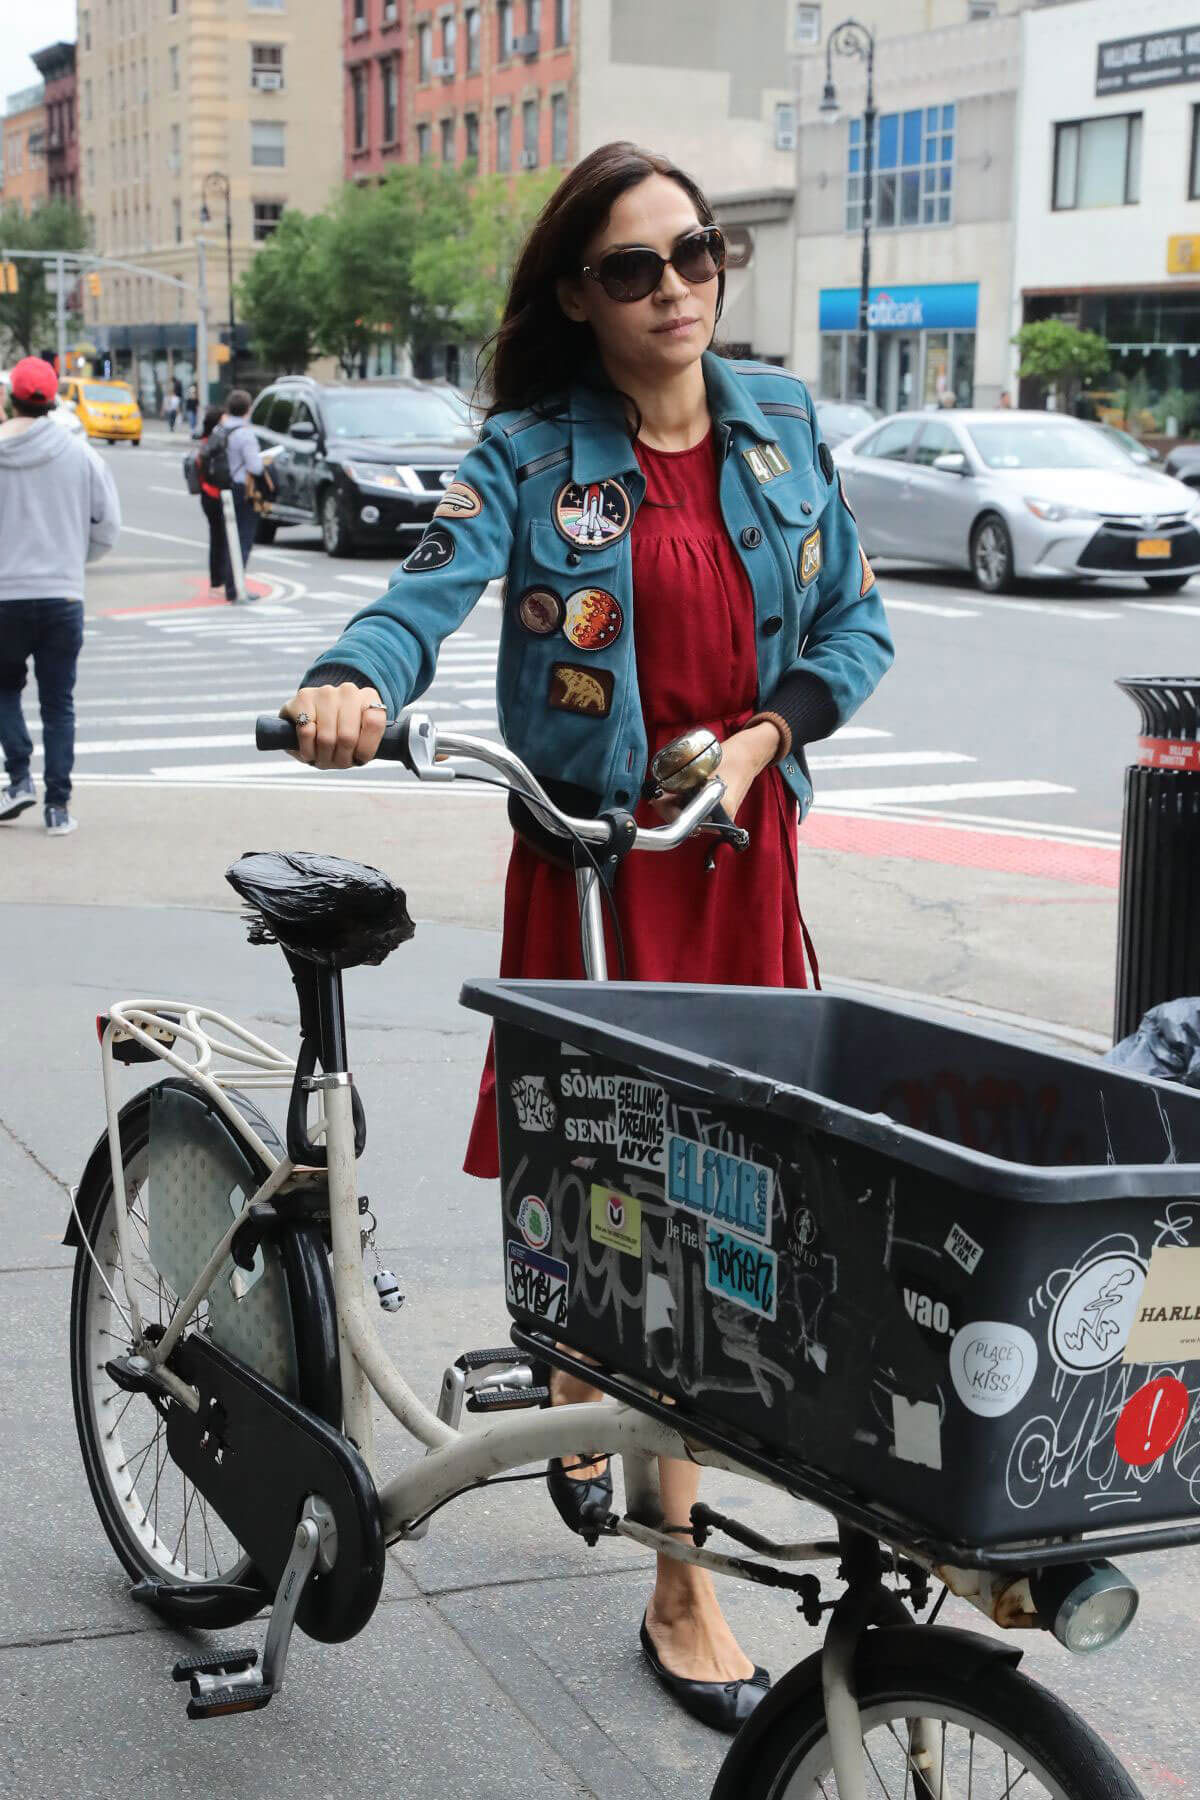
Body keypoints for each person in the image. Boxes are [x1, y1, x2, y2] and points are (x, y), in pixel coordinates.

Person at [278, 143, 892, 1731]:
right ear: (577, 293)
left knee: (739, 1201)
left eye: (695, 256)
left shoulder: (780, 427)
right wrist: (360, 681)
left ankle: (595, 1371)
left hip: (738, 857)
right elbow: (426, 590)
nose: (676, 287)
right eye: (634, 268)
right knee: (650, 1208)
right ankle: (679, 1580)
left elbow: (855, 625)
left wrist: (764, 737)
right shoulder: (531, 453)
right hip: (597, 869)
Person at [0, 356, 120, 835]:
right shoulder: (82, 455)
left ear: (11, 399)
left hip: (4, 597)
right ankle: (58, 806)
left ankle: (18, 777)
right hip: (63, 598)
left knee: (5, 689)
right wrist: (74, 561)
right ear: (52, 400)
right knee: (58, 702)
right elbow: (107, 527)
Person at [217, 388, 264, 603]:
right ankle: (236, 588)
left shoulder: (222, 428)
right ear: (247, 409)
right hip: (241, 490)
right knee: (243, 539)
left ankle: (229, 586)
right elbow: (255, 467)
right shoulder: (245, 433)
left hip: (222, 487)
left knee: (229, 539)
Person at [194, 404, 226, 593]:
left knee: (217, 538)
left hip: (208, 494)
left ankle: (217, 579)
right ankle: (219, 579)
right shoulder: (213, 445)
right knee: (220, 539)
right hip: (214, 494)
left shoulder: (206, 443)